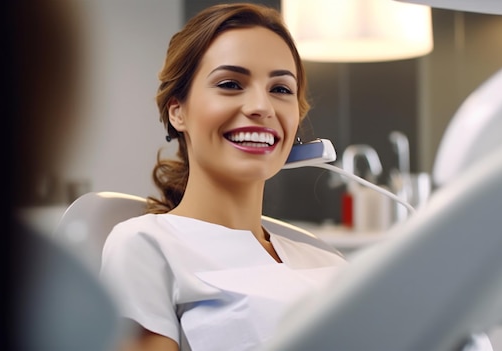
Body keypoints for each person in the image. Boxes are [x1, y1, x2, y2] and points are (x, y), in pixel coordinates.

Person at [99, 3, 345, 351]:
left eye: (281, 89)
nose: (262, 106)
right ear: (178, 111)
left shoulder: (327, 260)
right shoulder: (145, 246)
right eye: (231, 84)